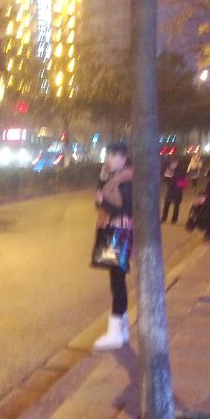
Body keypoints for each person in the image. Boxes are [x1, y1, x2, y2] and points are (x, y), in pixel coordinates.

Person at [92, 141, 133, 351]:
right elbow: (98, 201)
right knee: (115, 280)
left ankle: (116, 332)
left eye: (115, 155)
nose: (110, 159)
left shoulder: (126, 180)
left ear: (124, 158)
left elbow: (127, 210)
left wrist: (103, 202)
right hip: (111, 230)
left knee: (117, 281)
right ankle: (121, 329)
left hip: (120, 233)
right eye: (109, 155)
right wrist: (101, 181)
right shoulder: (110, 178)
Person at [161, 154, 188, 224]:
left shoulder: (182, 169)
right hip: (170, 189)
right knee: (167, 204)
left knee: (176, 205)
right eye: (172, 163)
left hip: (178, 190)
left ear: (177, 162)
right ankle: (164, 218)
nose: (173, 164)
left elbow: (183, 181)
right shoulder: (169, 168)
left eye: (174, 162)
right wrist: (168, 178)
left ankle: (174, 219)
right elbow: (165, 179)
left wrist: (174, 180)